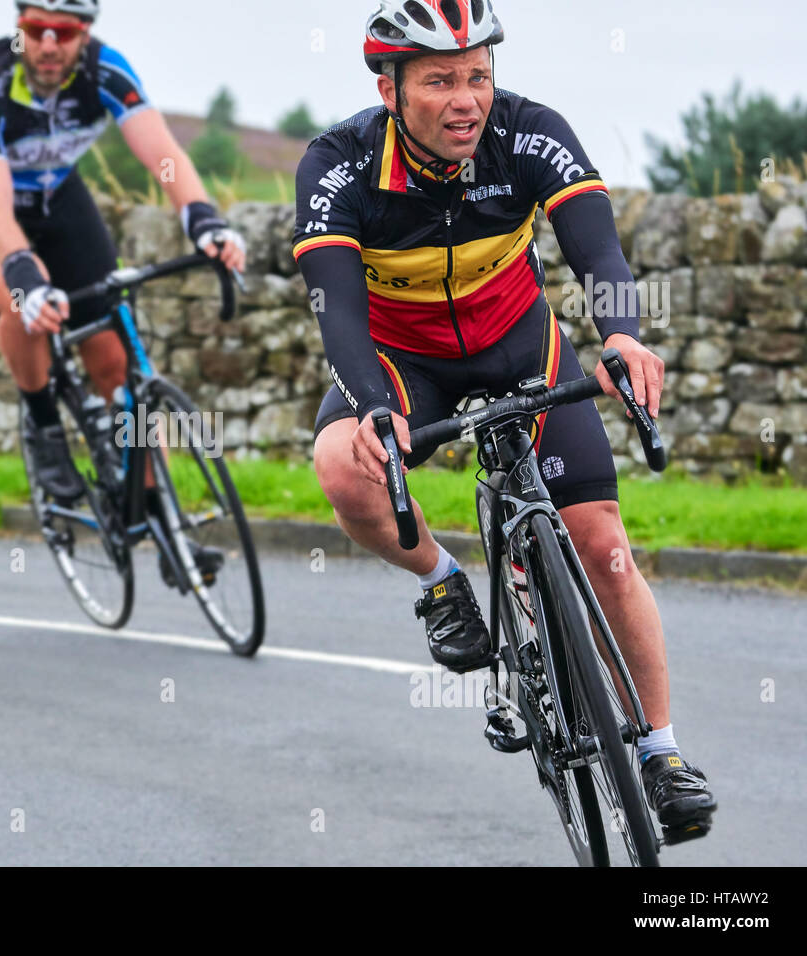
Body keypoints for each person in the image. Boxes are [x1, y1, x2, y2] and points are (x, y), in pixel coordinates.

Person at [291, 0, 715, 838]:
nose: (466, 99)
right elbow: (334, 309)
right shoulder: (336, 165)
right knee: (342, 464)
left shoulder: (529, 132)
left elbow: (598, 249)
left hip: (519, 344)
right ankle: (442, 583)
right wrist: (376, 410)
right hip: (402, 363)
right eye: (440, 80)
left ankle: (661, 754)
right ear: (389, 88)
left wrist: (623, 335)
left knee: (604, 548)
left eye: (478, 76)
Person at [0, 0, 245, 502]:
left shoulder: (106, 70)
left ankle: (159, 511)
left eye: (64, 30)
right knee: (17, 295)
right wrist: (26, 279)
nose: (49, 44)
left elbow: (163, 155)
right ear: (20, 27)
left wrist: (203, 218)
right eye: (37, 29)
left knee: (114, 356)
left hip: (59, 197)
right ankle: (44, 427)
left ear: (85, 33)